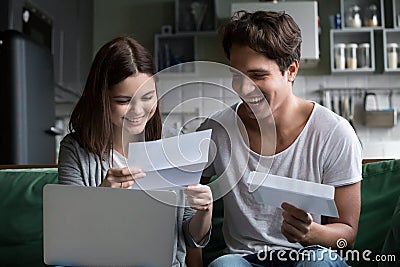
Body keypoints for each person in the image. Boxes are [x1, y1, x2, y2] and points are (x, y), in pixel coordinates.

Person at [198, 10, 362, 266]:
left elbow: (347, 238)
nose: (243, 88)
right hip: (244, 260)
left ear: (292, 70)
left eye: (258, 75)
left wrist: (312, 233)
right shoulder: (216, 130)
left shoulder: (334, 133)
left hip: (308, 256)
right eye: (236, 76)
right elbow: (182, 207)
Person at [58, 36, 213, 267]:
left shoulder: (173, 144)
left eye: (148, 97)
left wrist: (205, 210)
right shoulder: (76, 149)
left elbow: (190, 236)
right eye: (123, 100)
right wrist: (101, 197)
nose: (138, 110)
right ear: (101, 98)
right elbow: (68, 235)